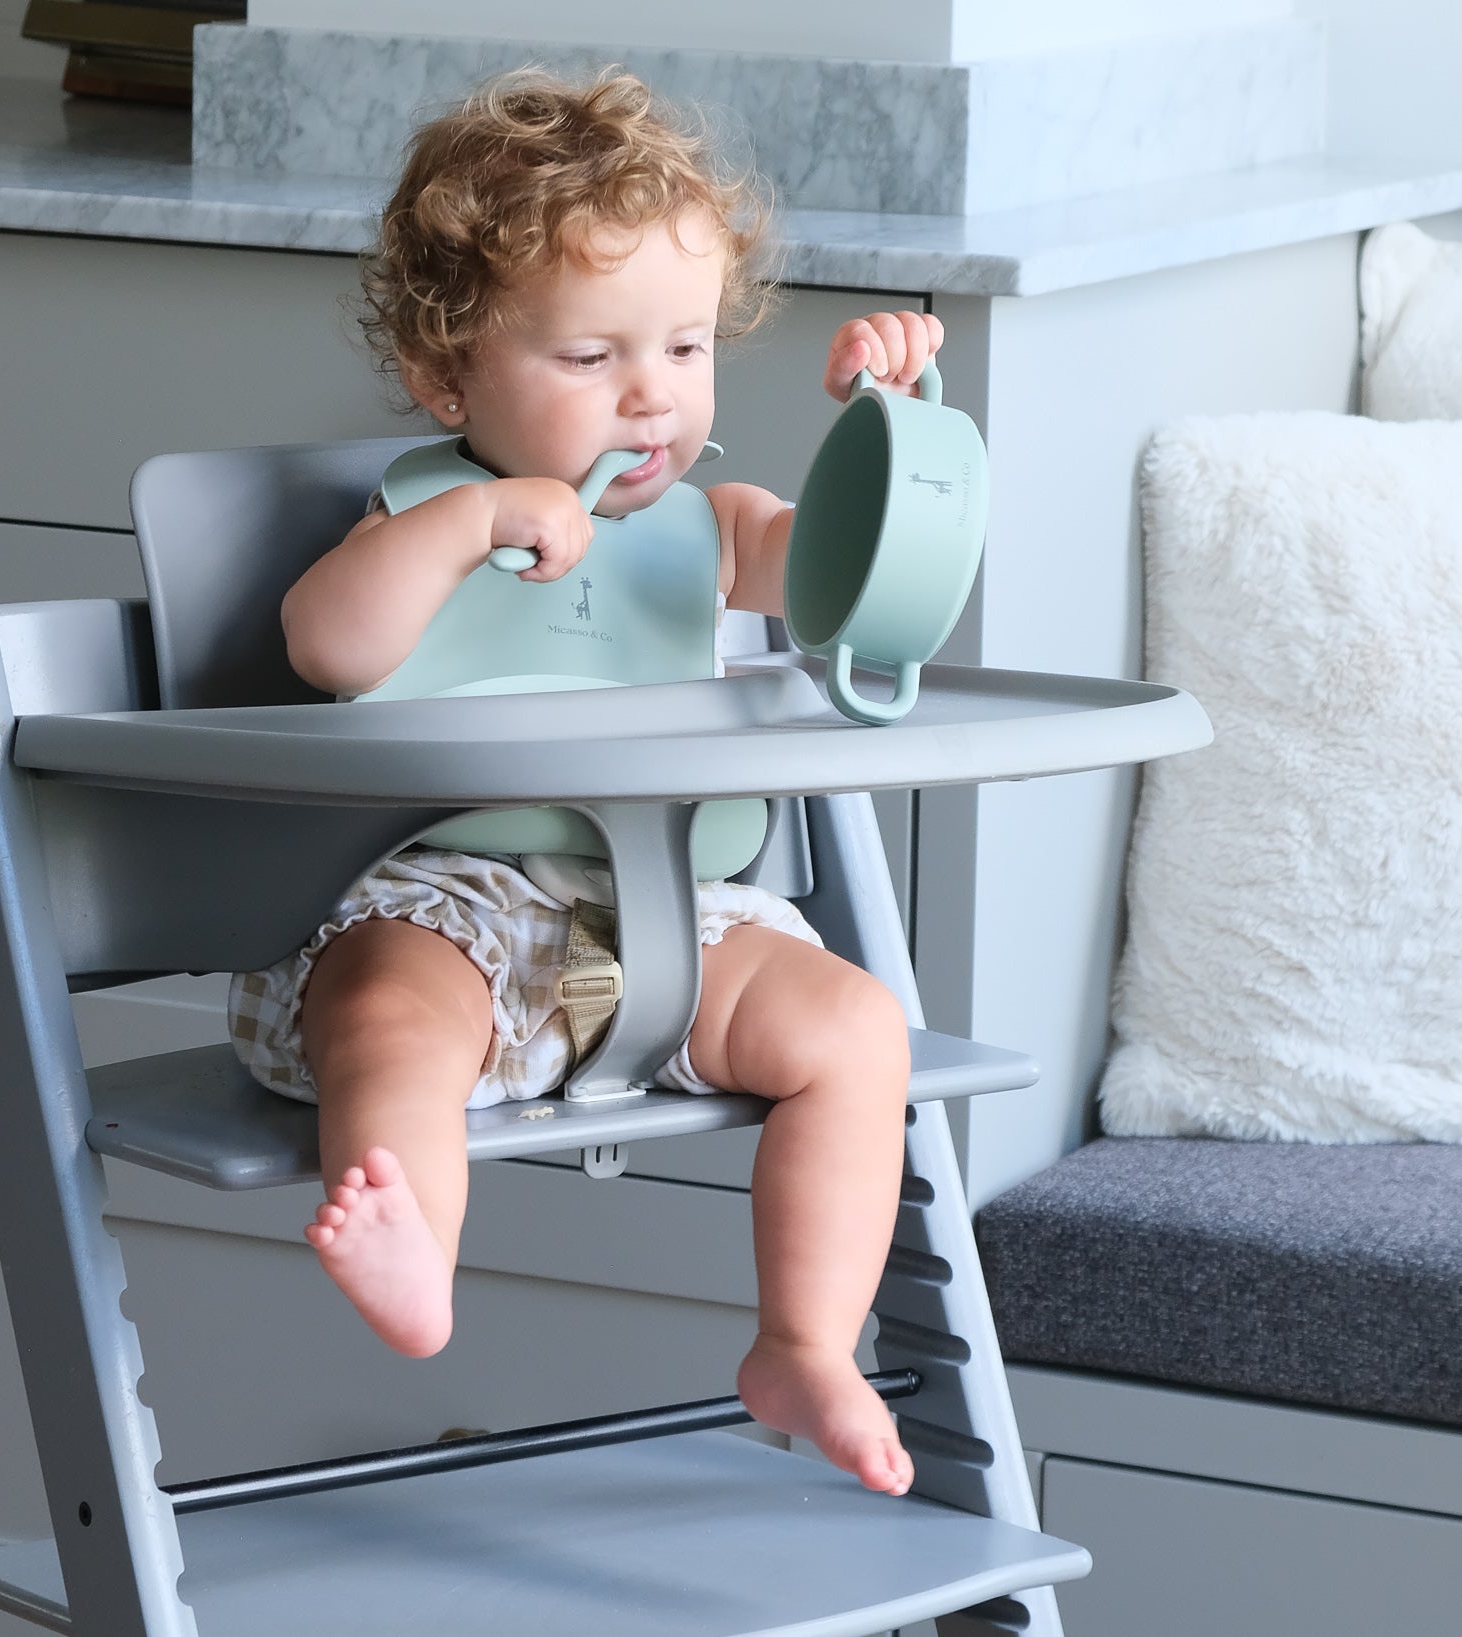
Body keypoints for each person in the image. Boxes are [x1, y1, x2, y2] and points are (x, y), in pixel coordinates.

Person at [227, 68, 943, 1497]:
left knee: (860, 1029)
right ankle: (415, 1246)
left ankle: (805, 1338)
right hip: (447, 897)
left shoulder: (715, 525)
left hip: (676, 906)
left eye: (684, 348)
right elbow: (327, 642)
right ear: (449, 380)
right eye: (588, 359)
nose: (650, 394)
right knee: (386, 1018)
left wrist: (894, 428)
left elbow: (855, 589)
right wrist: (473, 521)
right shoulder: (423, 511)